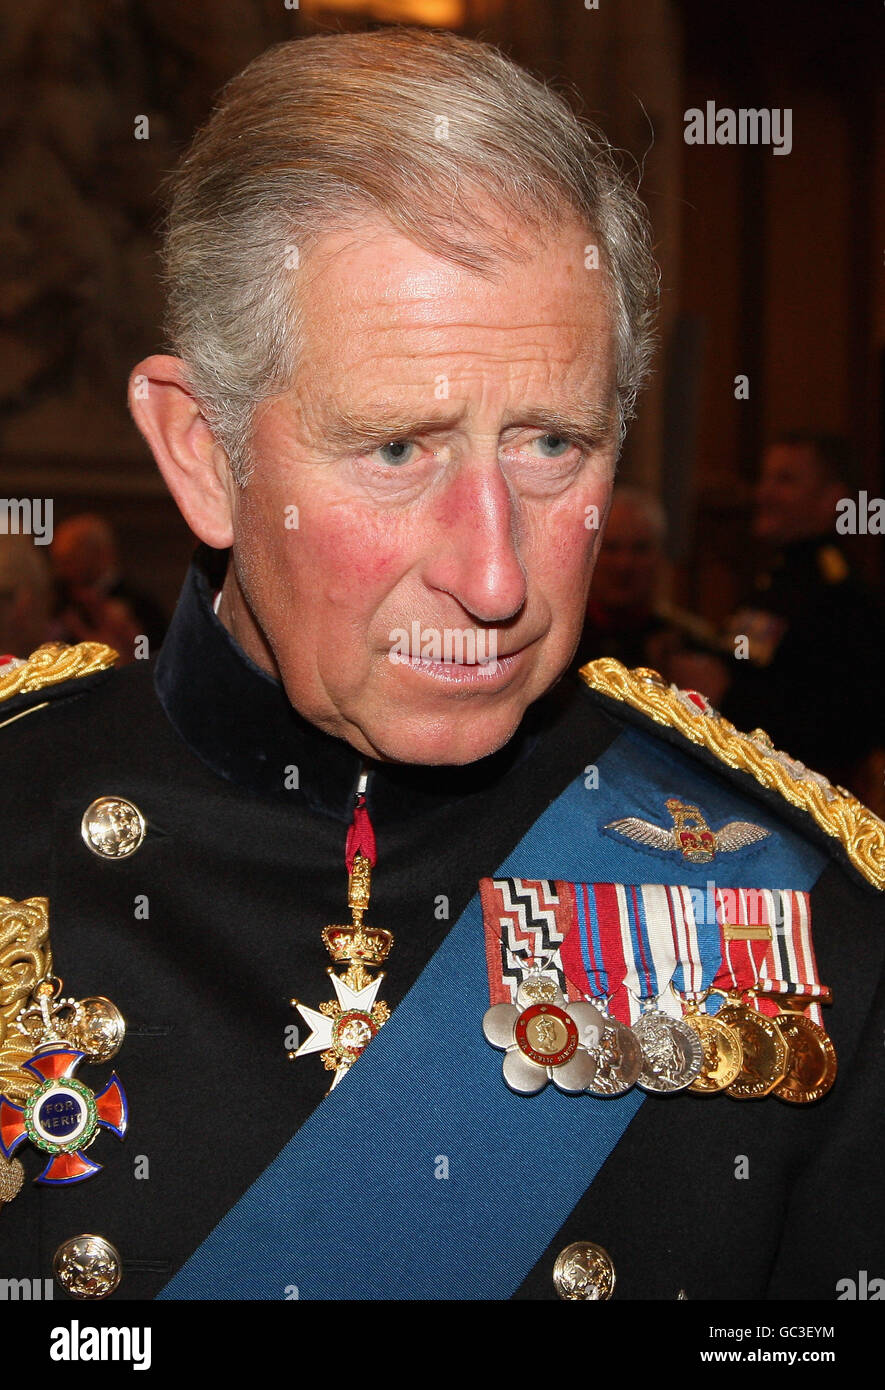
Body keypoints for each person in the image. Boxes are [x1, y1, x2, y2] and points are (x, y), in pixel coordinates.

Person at [1, 28, 884, 1305]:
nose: (494, 577)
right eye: (398, 450)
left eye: (551, 445)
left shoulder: (807, 914)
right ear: (202, 450)